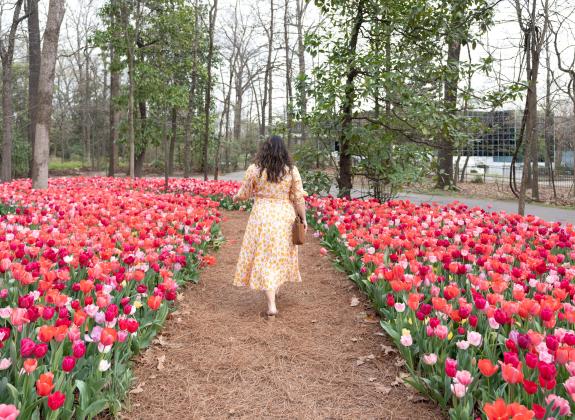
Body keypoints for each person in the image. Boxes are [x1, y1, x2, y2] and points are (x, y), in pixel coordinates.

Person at [232, 135, 307, 319]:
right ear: (284, 151)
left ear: (264, 149)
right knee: (279, 254)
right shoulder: (291, 171)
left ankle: (271, 304)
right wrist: (303, 219)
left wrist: (236, 198)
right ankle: (274, 292)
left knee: (264, 257)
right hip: (284, 216)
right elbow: (298, 198)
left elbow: (244, 193)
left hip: (262, 217)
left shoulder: (255, 169)